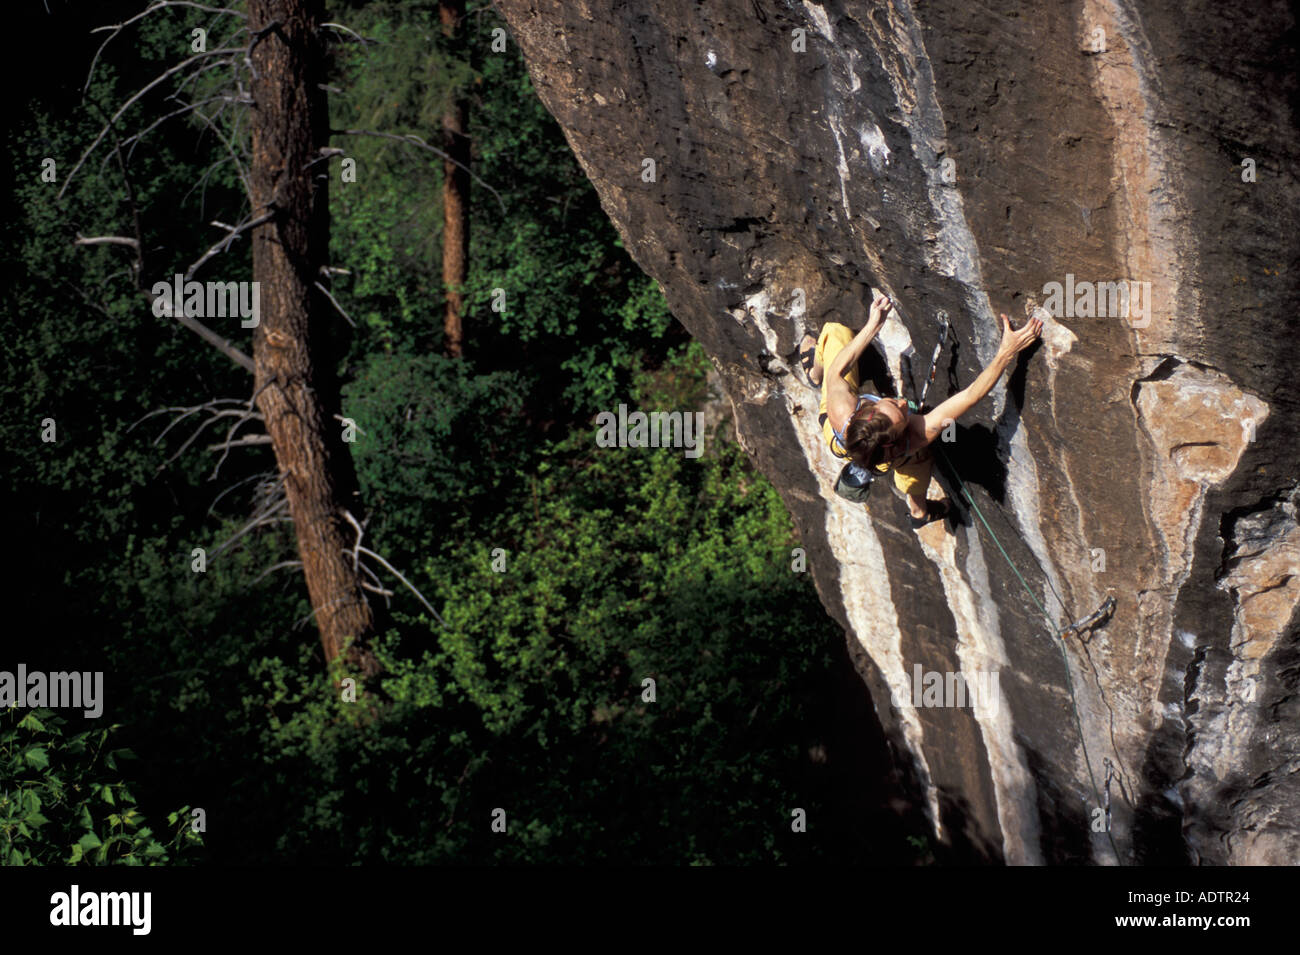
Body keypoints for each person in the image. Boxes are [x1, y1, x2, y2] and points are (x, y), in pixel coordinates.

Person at [798, 294, 1043, 528]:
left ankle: (813, 371)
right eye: (900, 411)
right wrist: (1007, 352)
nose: (903, 403)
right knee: (919, 460)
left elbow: (837, 371)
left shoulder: (846, 410)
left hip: (857, 441)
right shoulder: (908, 434)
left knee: (835, 333)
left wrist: (874, 325)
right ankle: (920, 513)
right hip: (866, 449)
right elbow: (970, 396)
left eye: (894, 404)